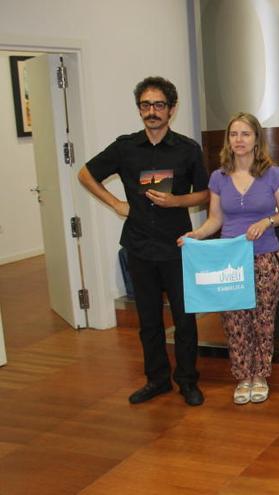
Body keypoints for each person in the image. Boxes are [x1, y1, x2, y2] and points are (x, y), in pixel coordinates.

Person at [78, 76, 209, 406]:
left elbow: (207, 193)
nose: (152, 111)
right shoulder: (125, 147)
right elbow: (85, 173)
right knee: (149, 320)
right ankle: (157, 380)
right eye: (146, 105)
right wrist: (116, 204)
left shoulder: (188, 149)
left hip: (177, 245)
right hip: (138, 246)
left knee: (184, 319)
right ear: (139, 109)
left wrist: (177, 202)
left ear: (171, 109)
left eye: (159, 105)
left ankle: (188, 381)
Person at [178, 112, 279, 405]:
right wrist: (195, 235)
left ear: (256, 139)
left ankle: (260, 376)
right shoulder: (218, 177)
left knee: (262, 320)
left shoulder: (274, 174)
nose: (239, 140)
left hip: (265, 258)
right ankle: (243, 377)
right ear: (228, 140)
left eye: (245, 134)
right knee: (234, 322)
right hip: (229, 262)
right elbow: (214, 220)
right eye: (234, 134)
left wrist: (267, 222)